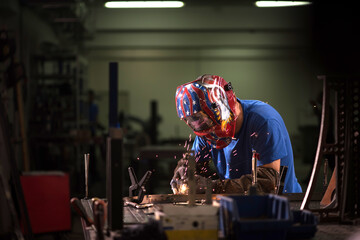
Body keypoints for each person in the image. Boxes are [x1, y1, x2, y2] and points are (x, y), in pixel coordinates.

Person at [171, 74, 302, 194]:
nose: (203, 127)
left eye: (204, 119)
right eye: (195, 122)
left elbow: (267, 184)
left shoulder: (264, 122)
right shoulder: (206, 132)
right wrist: (184, 172)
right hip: (236, 204)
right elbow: (194, 164)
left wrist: (212, 186)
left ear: (221, 107)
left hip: (283, 205)